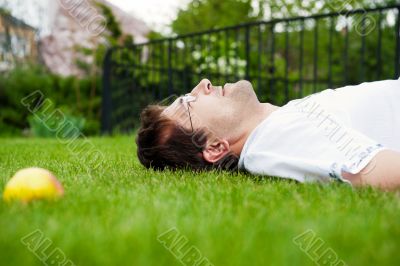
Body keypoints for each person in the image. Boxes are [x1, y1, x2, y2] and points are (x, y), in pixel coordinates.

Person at [136, 78, 400, 190]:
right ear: (215, 147)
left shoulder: (278, 122)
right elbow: (381, 172)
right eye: (187, 102)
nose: (203, 83)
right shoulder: (275, 139)